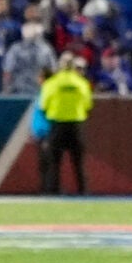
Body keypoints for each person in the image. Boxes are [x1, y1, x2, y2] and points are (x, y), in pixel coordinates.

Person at [37, 51, 94, 195]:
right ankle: (83, 192)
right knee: (79, 163)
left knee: (54, 163)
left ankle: (52, 192)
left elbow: (43, 105)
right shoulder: (82, 83)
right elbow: (88, 105)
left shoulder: (52, 83)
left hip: (57, 125)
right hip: (76, 126)